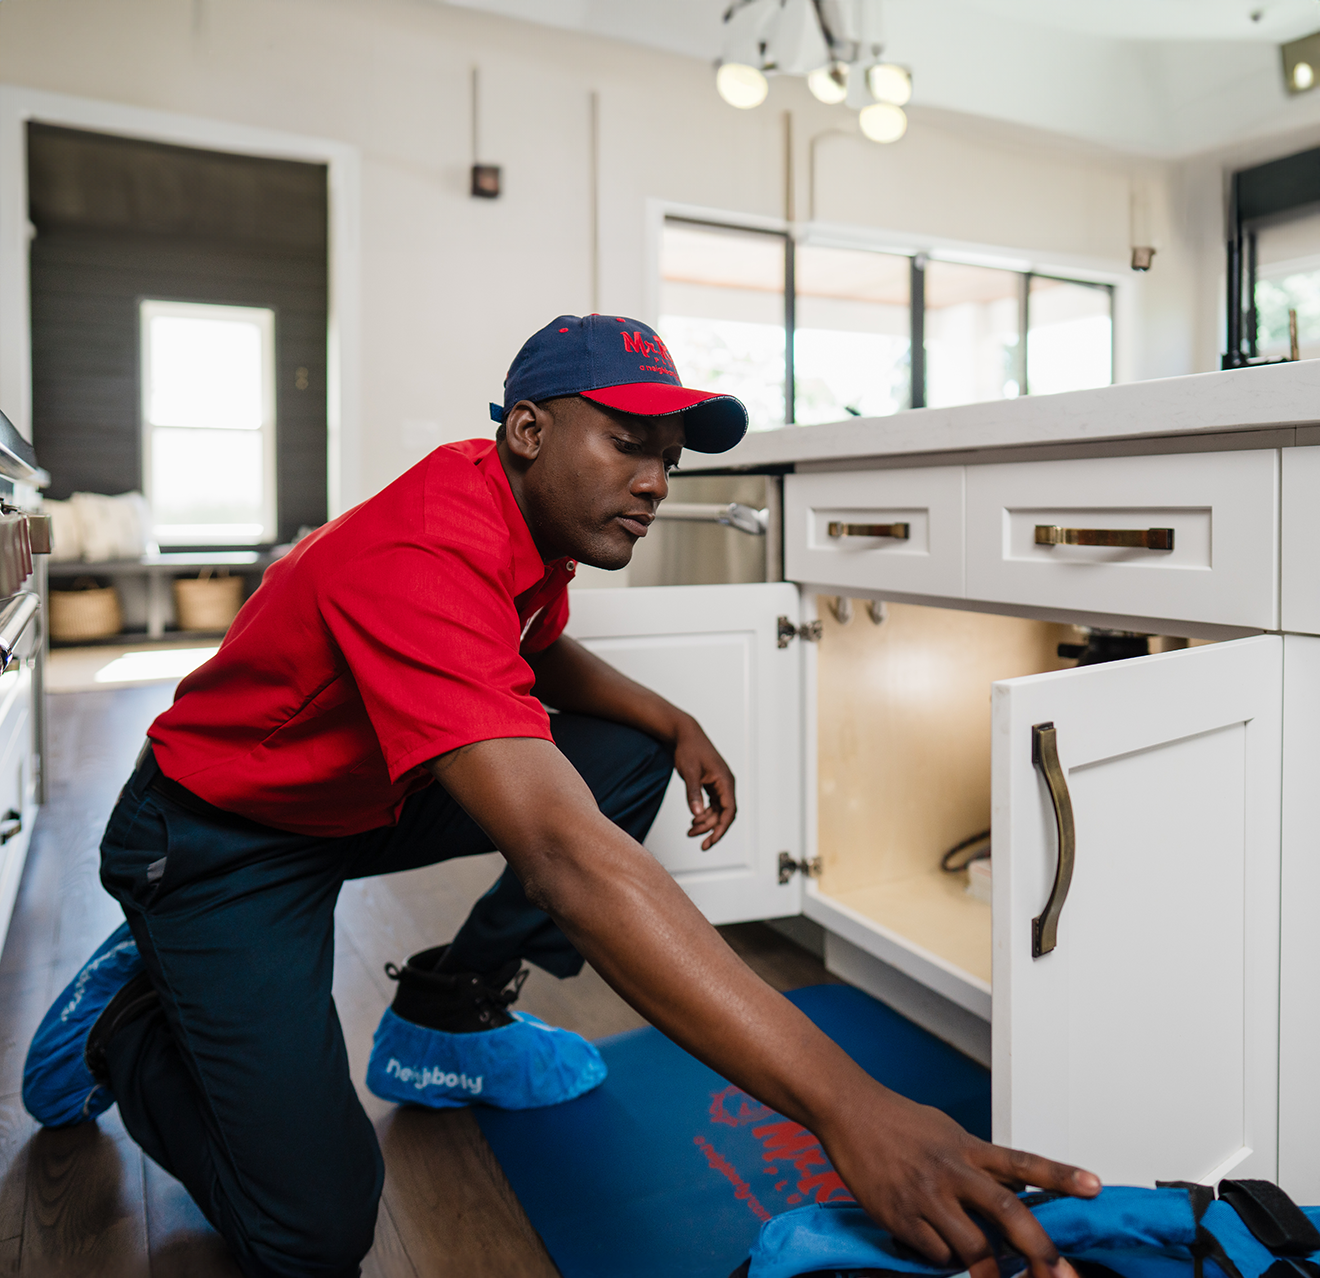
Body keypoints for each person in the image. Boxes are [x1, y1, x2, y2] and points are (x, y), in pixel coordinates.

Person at [23, 314, 1098, 1278]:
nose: (656, 481)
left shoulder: (520, 516)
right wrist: (849, 1107)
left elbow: (536, 649)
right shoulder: (425, 548)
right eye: (629, 442)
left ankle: (447, 1017)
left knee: (622, 757)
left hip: (349, 799)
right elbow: (568, 860)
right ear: (530, 429)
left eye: (667, 460)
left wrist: (670, 722)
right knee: (312, 1235)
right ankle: (131, 1016)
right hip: (218, 836)